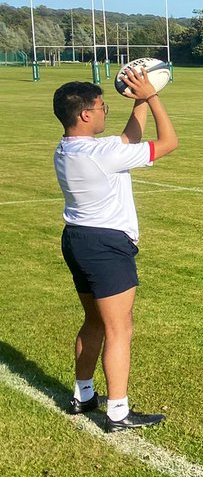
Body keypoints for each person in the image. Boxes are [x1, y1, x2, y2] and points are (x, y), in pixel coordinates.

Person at [53, 69, 178, 431]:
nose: (106, 109)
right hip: (105, 246)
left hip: (77, 239)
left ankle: (84, 394)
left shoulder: (68, 148)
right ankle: (118, 412)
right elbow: (169, 142)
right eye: (102, 105)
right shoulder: (100, 154)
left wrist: (137, 99)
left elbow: (125, 139)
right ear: (86, 115)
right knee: (119, 327)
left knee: (94, 321)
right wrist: (153, 96)